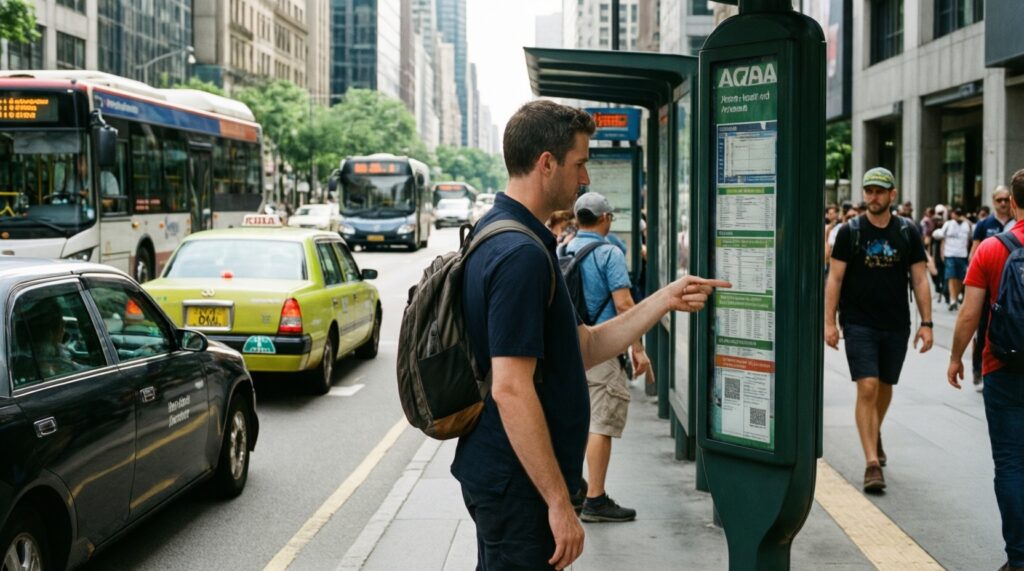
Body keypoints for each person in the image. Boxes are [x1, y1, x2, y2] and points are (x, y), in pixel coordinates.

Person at [454, 100, 729, 570]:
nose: (585, 180)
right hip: (518, 488)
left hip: (511, 481)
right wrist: (559, 504)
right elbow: (511, 388)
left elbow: (581, 348)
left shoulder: (515, 237)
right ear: (546, 163)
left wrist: (664, 298)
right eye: (579, 163)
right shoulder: (519, 254)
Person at [825, 166, 933, 493]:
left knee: (885, 386)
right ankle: (872, 462)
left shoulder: (906, 232)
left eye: (879, 191)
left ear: (892, 195)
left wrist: (926, 323)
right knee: (868, 387)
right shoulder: (850, 232)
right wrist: (830, 322)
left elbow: (919, 279)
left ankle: (875, 431)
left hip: (896, 323)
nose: (873, 196)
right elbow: (835, 279)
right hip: (858, 322)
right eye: (869, 190)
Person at [947, 168, 1024, 571]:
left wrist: (956, 357)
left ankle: (1019, 557)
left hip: (1003, 366)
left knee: (1011, 463)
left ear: (1011, 203)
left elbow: (969, 314)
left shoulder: (993, 249)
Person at [563, 192, 651, 523]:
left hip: (572, 350)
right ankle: (595, 499)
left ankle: (576, 488)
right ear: (605, 219)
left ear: (576, 219)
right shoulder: (609, 252)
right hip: (602, 351)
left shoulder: (563, 248)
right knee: (601, 422)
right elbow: (625, 305)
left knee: (578, 421)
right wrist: (638, 348)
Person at [965, 186, 1018, 389]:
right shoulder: (984, 224)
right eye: (999, 200)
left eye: (1006, 199)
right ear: (994, 201)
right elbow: (975, 251)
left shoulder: (1016, 222)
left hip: (1012, 286)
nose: (1003, 204)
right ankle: (978, 368)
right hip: (988, 284)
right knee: (982, 328)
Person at [940, 207, 973, 310]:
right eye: (956, 213)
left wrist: (966, 220)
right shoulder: (948, 224)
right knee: (951, 276)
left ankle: (956, 296)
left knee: (961, 278)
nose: (957, 215)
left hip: (962, 254)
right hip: (950, 254)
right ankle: (953, 299)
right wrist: (942, 253)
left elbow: (973, 237)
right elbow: (942, 238)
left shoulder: (967, 225)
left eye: (959, 213)